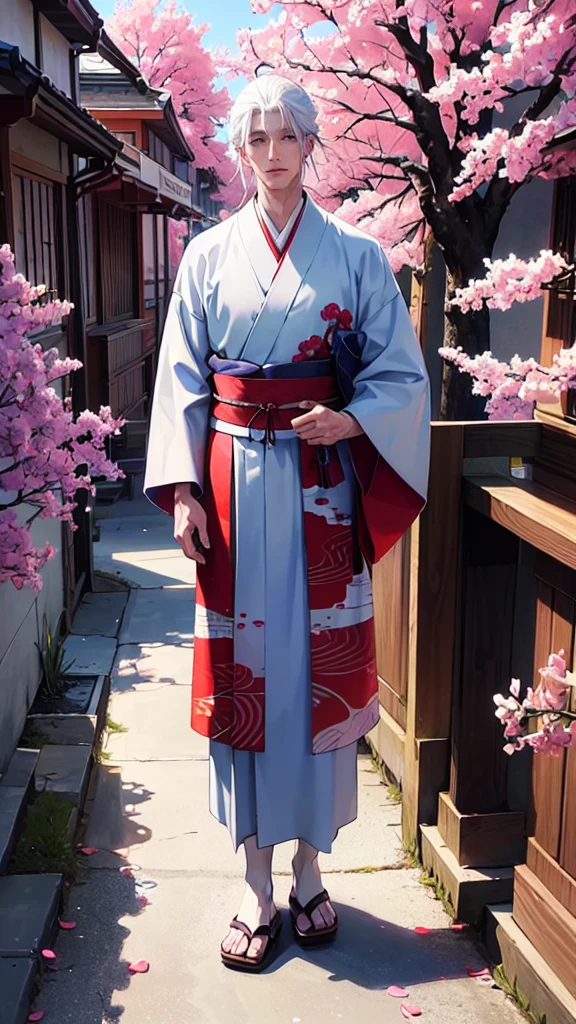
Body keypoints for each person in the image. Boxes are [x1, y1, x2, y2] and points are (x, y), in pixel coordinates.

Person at [144, 74, 430, 973]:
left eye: (287, 137)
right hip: (231, 482)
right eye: (256, 138)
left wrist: (354, 418)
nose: (272, 154)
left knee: (318, 676)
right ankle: (255, 878)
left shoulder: (357, 257)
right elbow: (180, 379)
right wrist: (184, 491)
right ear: (240, 151)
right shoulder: (206, 256)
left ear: (312, 145)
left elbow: (399, 374)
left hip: (320, 487)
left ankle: (311, 871)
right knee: (245, 678)